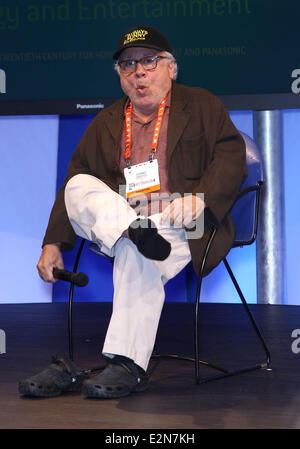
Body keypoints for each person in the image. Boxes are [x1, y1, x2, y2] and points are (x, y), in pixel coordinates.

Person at [19, 26, 247, 399]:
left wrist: (201, 199)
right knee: (81, 185)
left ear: (171, 68)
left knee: (135, 247)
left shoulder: (201, 105)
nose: (138, 71)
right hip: (124, 219)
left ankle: (126, 360)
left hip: (182, 221)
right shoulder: (107, 121)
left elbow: (231, 156)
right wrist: (52, 243)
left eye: (148, 61)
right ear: (121, 77)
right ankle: (132, 230)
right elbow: (74, 184)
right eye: (128, 65)